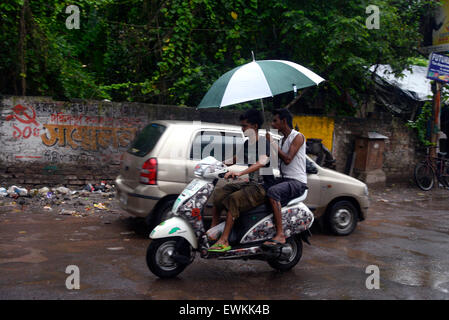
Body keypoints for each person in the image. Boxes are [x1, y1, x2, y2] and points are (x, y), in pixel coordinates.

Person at [208, 109, 275, 252]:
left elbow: (261, 162)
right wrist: (216, 165)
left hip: (262, 187)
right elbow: (235, 159)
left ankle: (224, 240)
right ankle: (213, 232)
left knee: (233, 199)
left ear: (255, 126)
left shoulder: (264, 142)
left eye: (245, 126)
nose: (242, 128)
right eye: (242, 125)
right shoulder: (247, 143)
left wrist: (240, 172)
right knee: (220, 193)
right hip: (251, 184)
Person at [263, 108, 307, 248]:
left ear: (284, 121)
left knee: (273, 192)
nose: (273, 123)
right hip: (284, 179)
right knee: (261, 188)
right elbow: (277, 159)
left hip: (296, 182)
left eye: (275, 120)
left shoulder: (298, 136)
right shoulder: (282, 140)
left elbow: (287, 159)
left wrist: (272, 143)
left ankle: (280, 234)